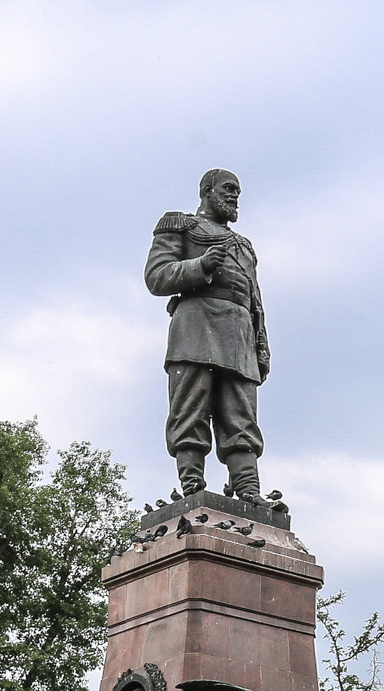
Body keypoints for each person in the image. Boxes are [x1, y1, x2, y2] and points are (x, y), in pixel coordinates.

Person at [146, 168, 272, 501]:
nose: (234, 197)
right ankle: (191, 486)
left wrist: (262, 345)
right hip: (195, 326)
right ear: (207, 190)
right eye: (228, 189)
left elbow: (254, 299)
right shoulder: (179, 225)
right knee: (190, 408)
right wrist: (200, 265)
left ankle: (247, 489)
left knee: (241, 414)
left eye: (238, 193)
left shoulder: (244, 246)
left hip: (240, 335)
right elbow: (156, 277)